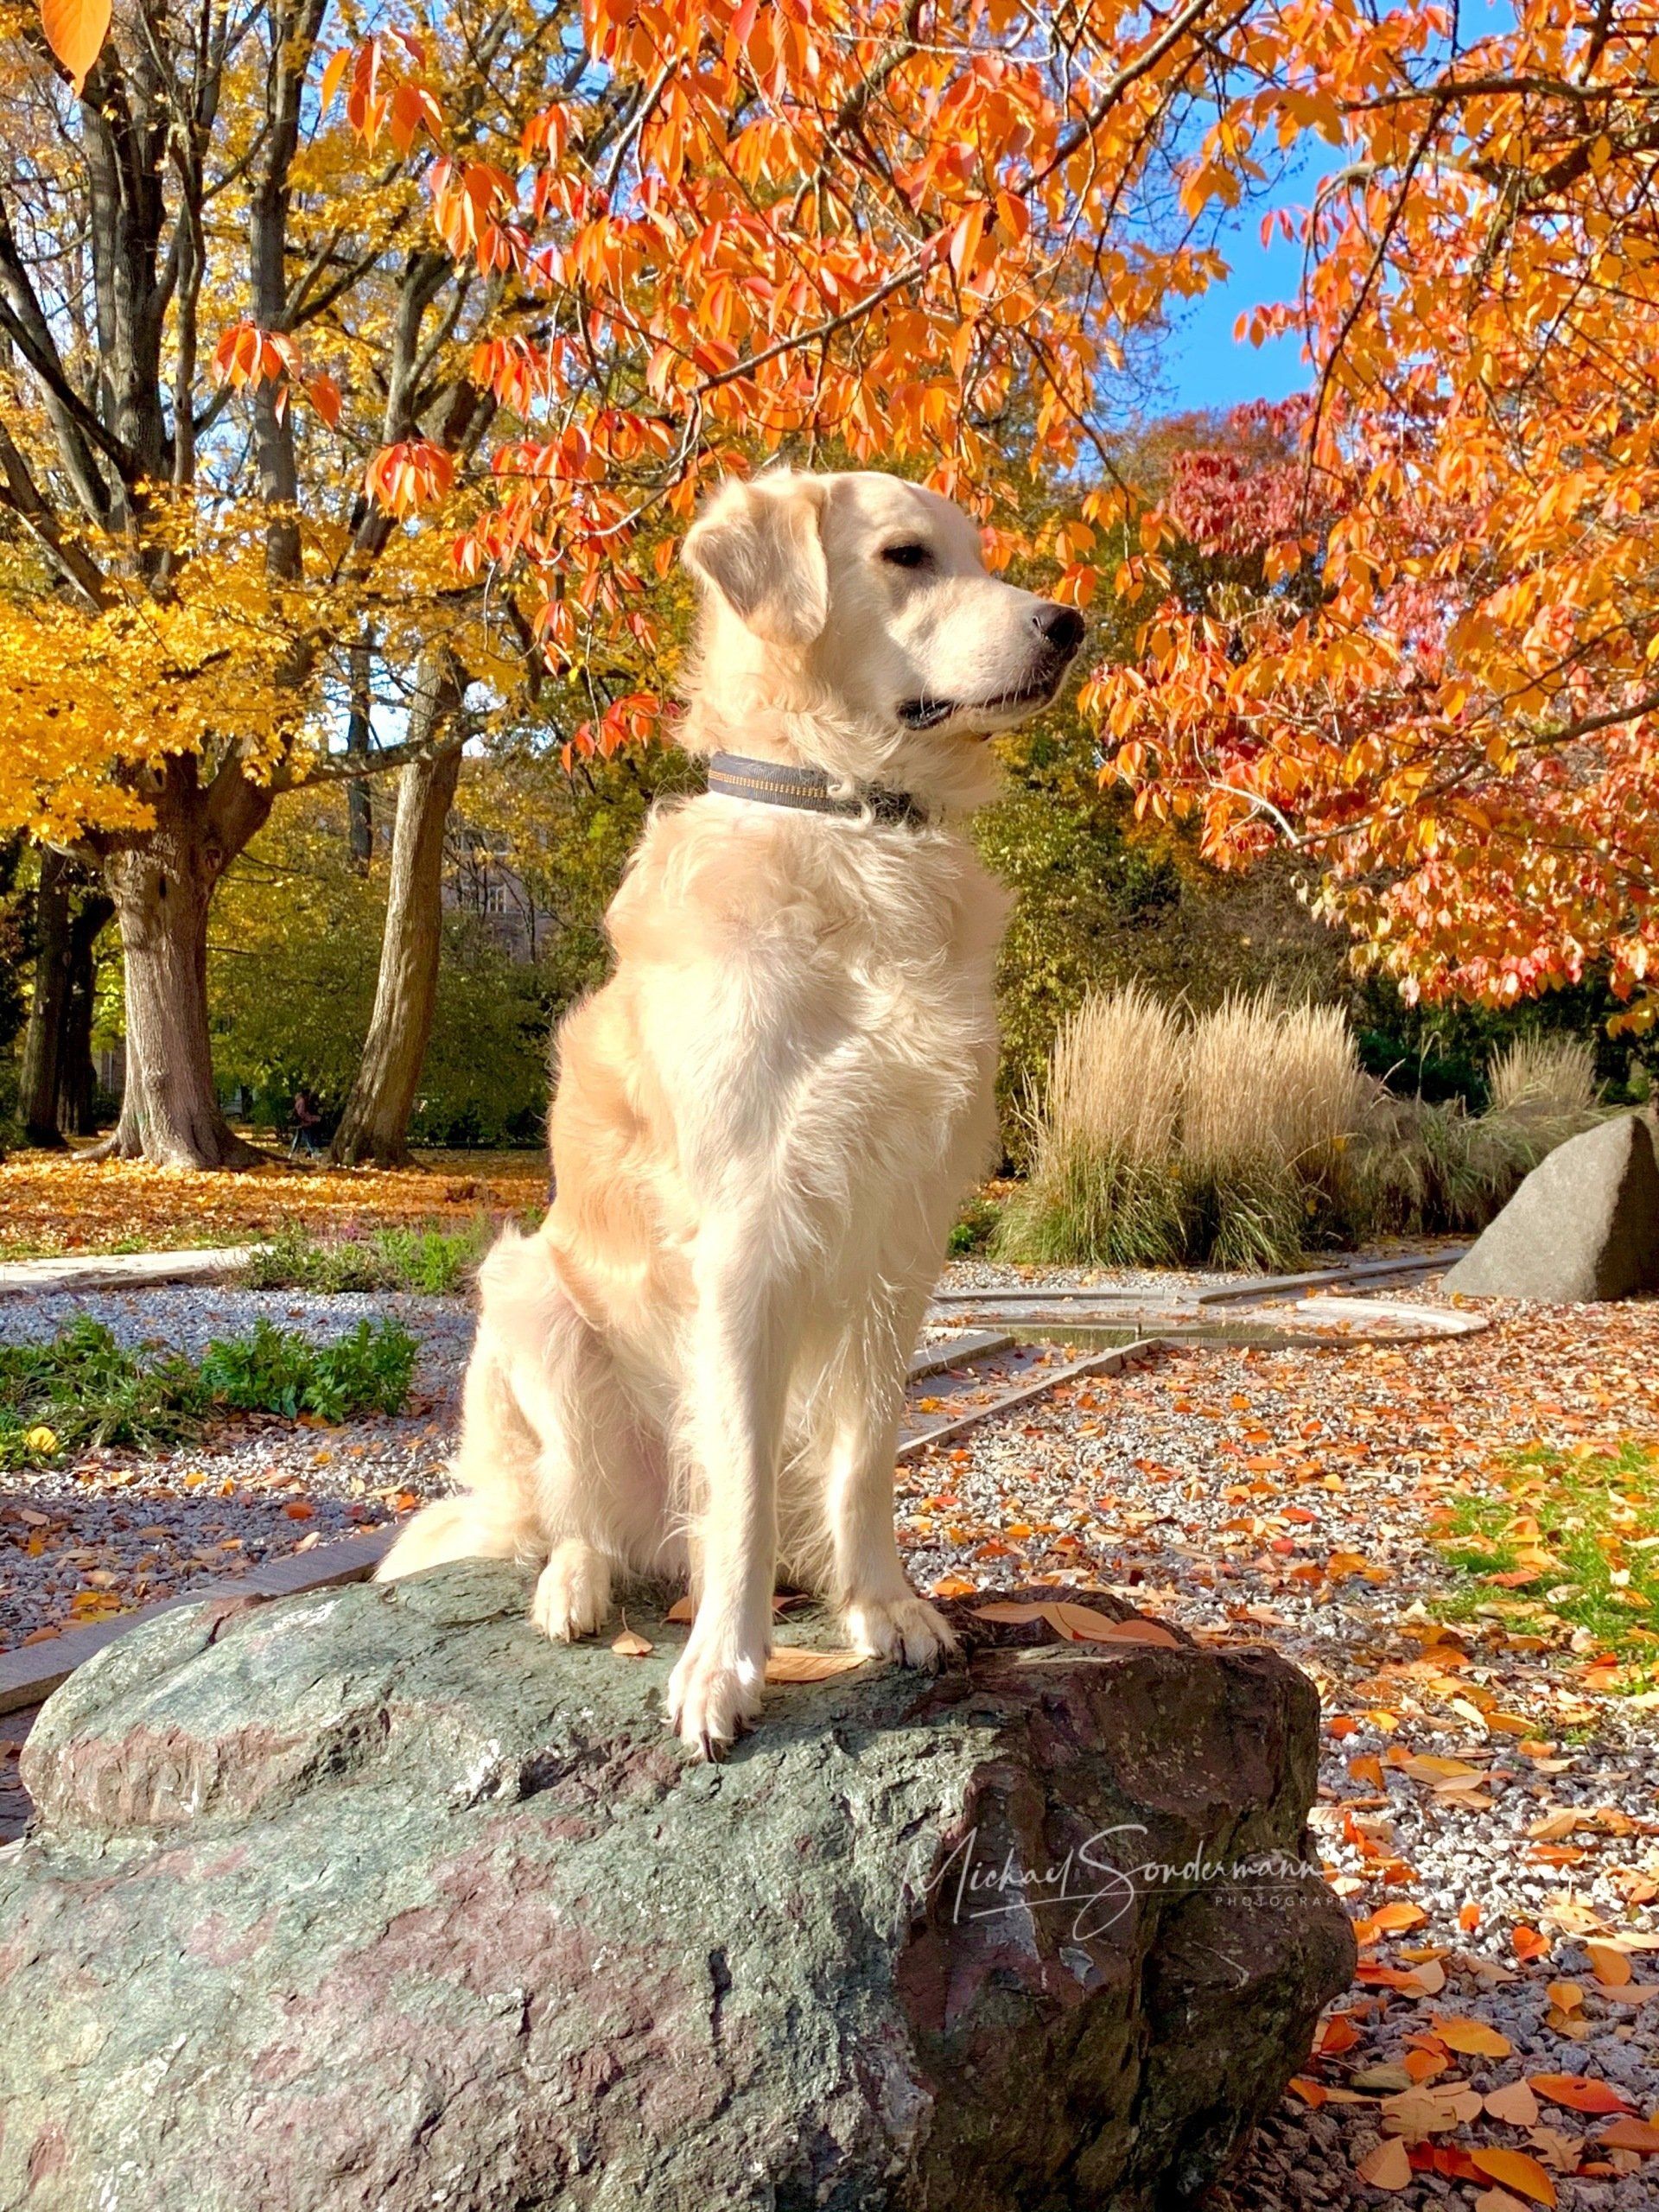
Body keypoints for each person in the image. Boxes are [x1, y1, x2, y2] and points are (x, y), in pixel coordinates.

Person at [290, 1087, 322, 1158]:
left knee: (299, 1138)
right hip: (302, 1122)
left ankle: (292, 1152)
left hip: (301, 1122)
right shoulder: (302, 1101)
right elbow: (302, 1113)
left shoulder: (300, 1101)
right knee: (308, 1137)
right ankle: (313, 1152)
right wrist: (312, 1119)